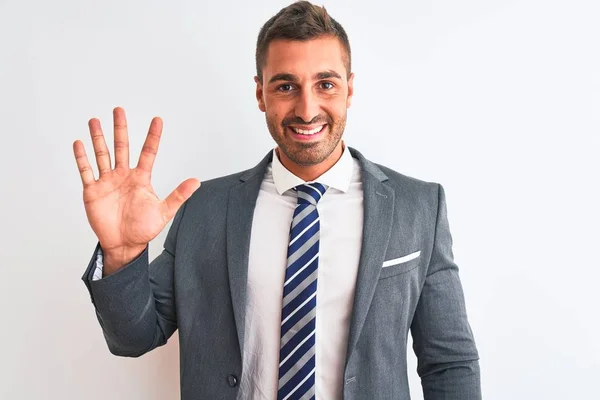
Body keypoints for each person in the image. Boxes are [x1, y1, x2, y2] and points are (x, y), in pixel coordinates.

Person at [75, 1, 481, 399]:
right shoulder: (205, 208)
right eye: (286, 86)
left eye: (325, 84)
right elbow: (134, 337)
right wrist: (123, 254)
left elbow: (449, 362)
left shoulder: (418, 208)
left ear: (349, 89)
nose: (307, 110)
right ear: (260, 93)